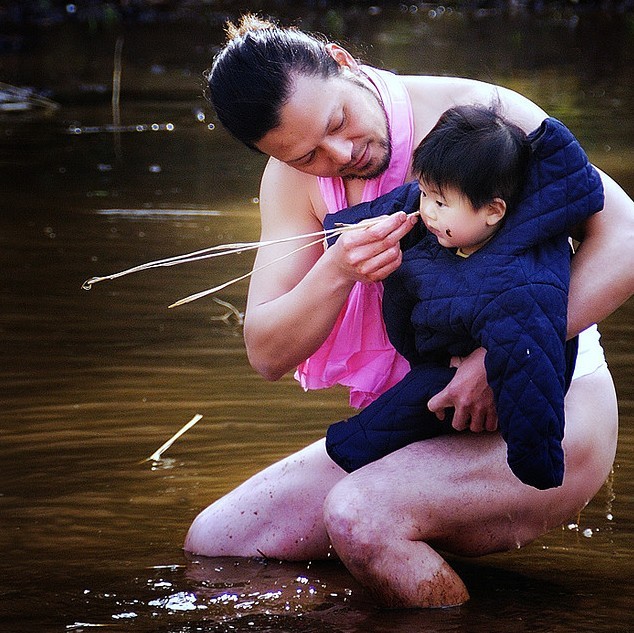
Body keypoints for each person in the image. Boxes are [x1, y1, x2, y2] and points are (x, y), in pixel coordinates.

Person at [184, 14, 632, 608]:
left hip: (553, 401)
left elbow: (625, 237)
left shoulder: (476, 113)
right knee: (220, 544)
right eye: (306, 156)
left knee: (361, 517)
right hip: (418, 413)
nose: (340, 155)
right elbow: (266, 352)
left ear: (342, 60)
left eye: (338, 122)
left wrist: (500, 356)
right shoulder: (291, 184)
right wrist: (337, 271)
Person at [324, 105, 603, 491]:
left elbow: (531, 372)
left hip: (485, 375)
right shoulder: (446, 213)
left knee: (390, 420)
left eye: (439, 202)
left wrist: (535, 458)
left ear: (492, 211)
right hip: (440, 347)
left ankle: (350, 452)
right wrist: (341, 233)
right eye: (425, 193)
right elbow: (391, 207)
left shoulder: (520, 283)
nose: (426, 211)